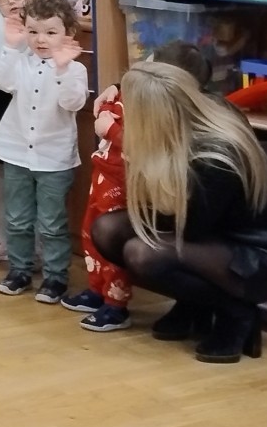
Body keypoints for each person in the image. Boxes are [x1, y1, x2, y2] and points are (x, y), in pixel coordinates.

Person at [91, 61, 267, 363]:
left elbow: (190, 228)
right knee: (106, 230)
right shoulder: (198, 107)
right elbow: (162, 83)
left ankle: (235, 312)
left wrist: (140, 161)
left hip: (254, 256)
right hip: (209, 233)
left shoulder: (215, 159)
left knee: (142, 253)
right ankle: (193, 304)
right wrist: (115, 89)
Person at [63, 41, 210, 332]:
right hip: (103, 175)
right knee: (90, 233)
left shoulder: (163, 115)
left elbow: (144, 147)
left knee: (110, 241)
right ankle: (97, 289)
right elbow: (114, 101)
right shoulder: (133, 91)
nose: (139, 72)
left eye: (149, 67)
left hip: (124, 184)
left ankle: (115, 304)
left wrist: (111, 130)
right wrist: (110, 94)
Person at [0, 0, 96, 266]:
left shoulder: (37, 19)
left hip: (29, 96)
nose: (12, 2)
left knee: (33, 177)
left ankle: (37, 248)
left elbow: (64, 0)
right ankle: (3, 240)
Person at [0, 0, 88, 304]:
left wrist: (62, 69)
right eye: (33, 31)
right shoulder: (20, 61)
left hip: (54, 158)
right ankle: (19, 270)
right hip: (16, 153)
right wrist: (9, 45)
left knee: (52, 222)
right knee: (17, 218)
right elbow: (1, 82)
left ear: (68, 33)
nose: (40, 39)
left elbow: (73, 102)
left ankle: (56, 277)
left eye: (50, 32)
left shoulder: (75, 70)